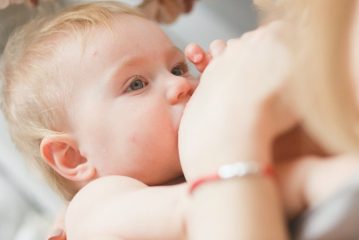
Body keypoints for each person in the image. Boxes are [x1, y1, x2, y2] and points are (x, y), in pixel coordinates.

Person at [1, 0, 359, 239]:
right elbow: (196, 209)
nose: (180, 85)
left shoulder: (190, 165)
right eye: (136, 84)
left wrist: (247, 93)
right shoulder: (95, 206)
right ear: (74, 157)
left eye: (177, 67)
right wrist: (310, 179)